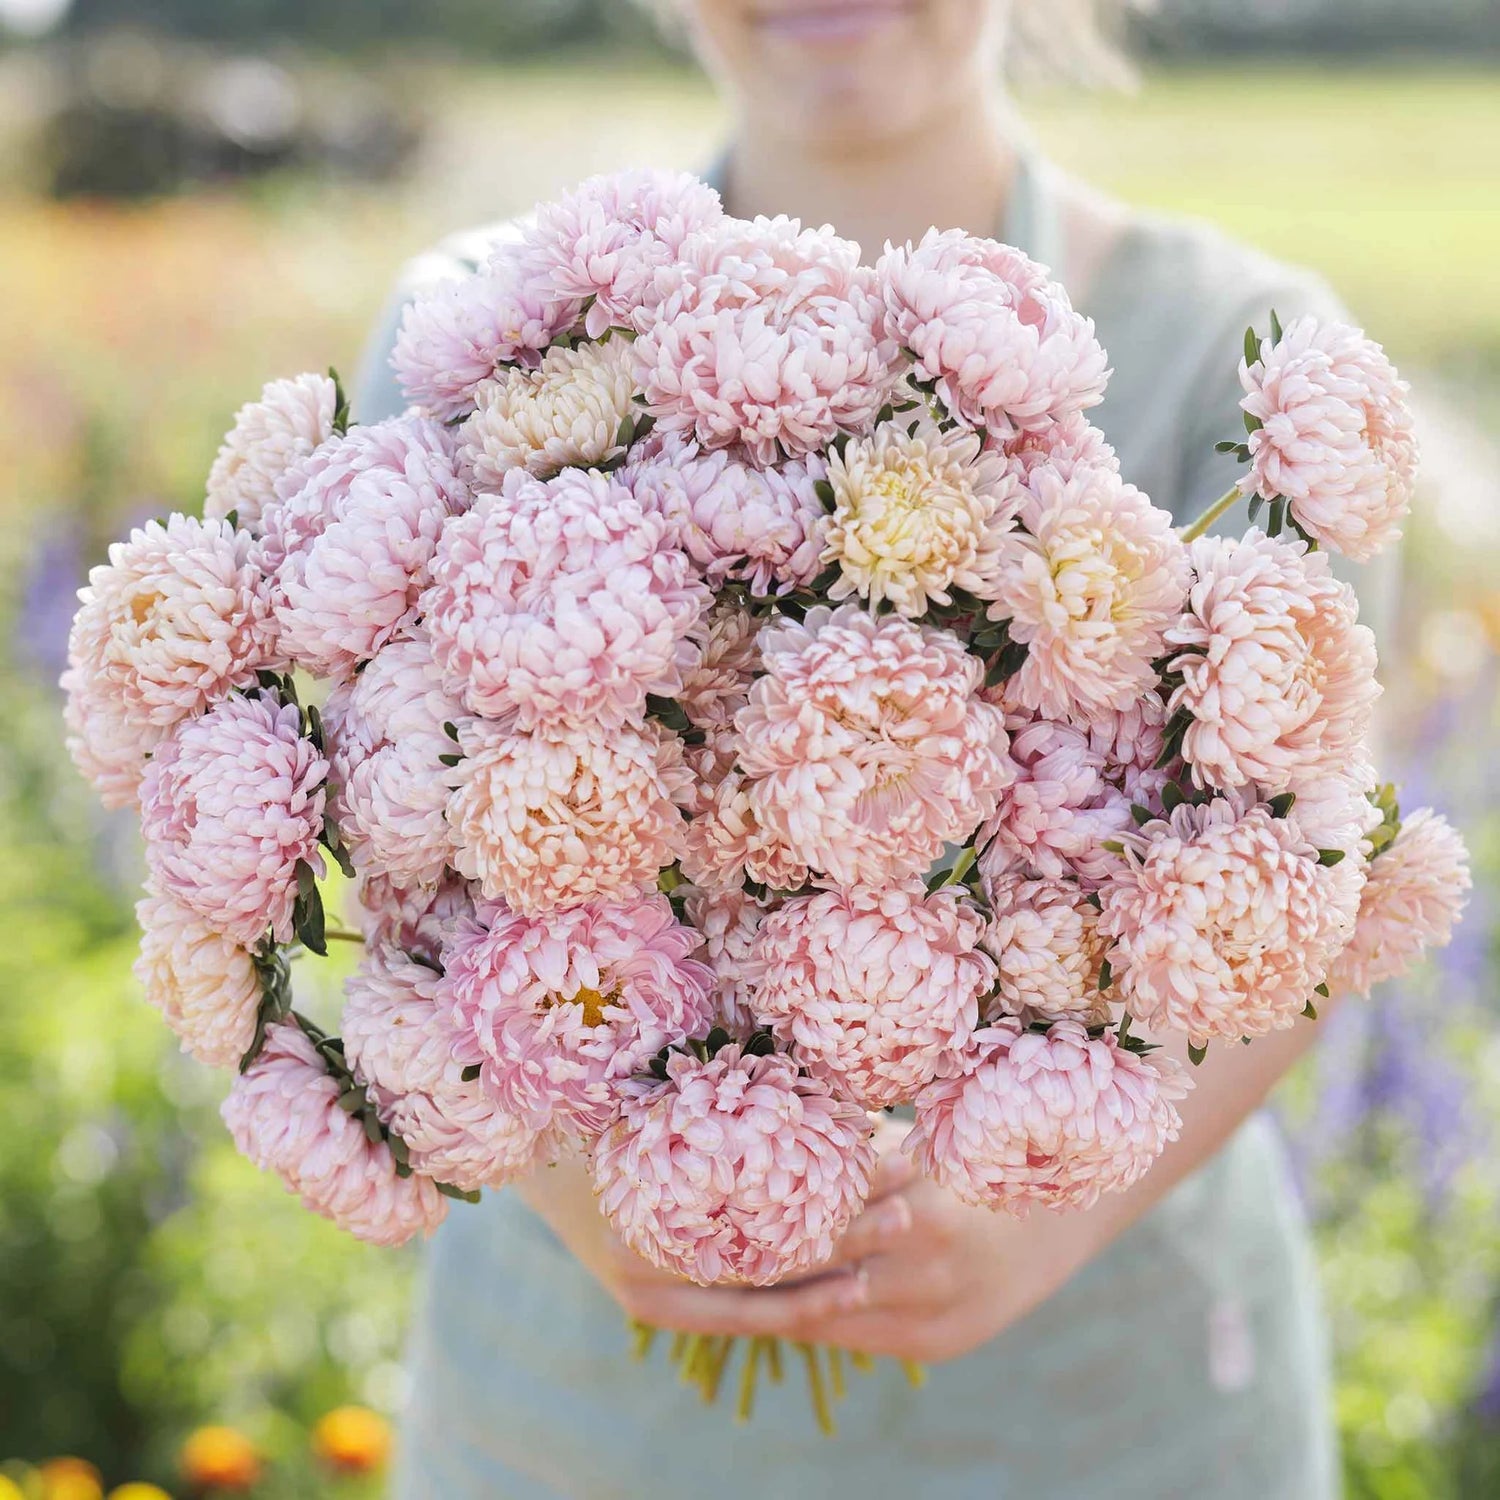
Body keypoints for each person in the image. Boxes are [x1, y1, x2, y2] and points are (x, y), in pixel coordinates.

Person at [356, 3, 1390, 1493]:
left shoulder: (1244, 361)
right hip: (574, 1415)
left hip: (1102, 1409)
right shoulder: (476, 343)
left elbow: (1317, 895)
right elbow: (371, 857)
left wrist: (1050, 1215)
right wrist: (589, 1177)